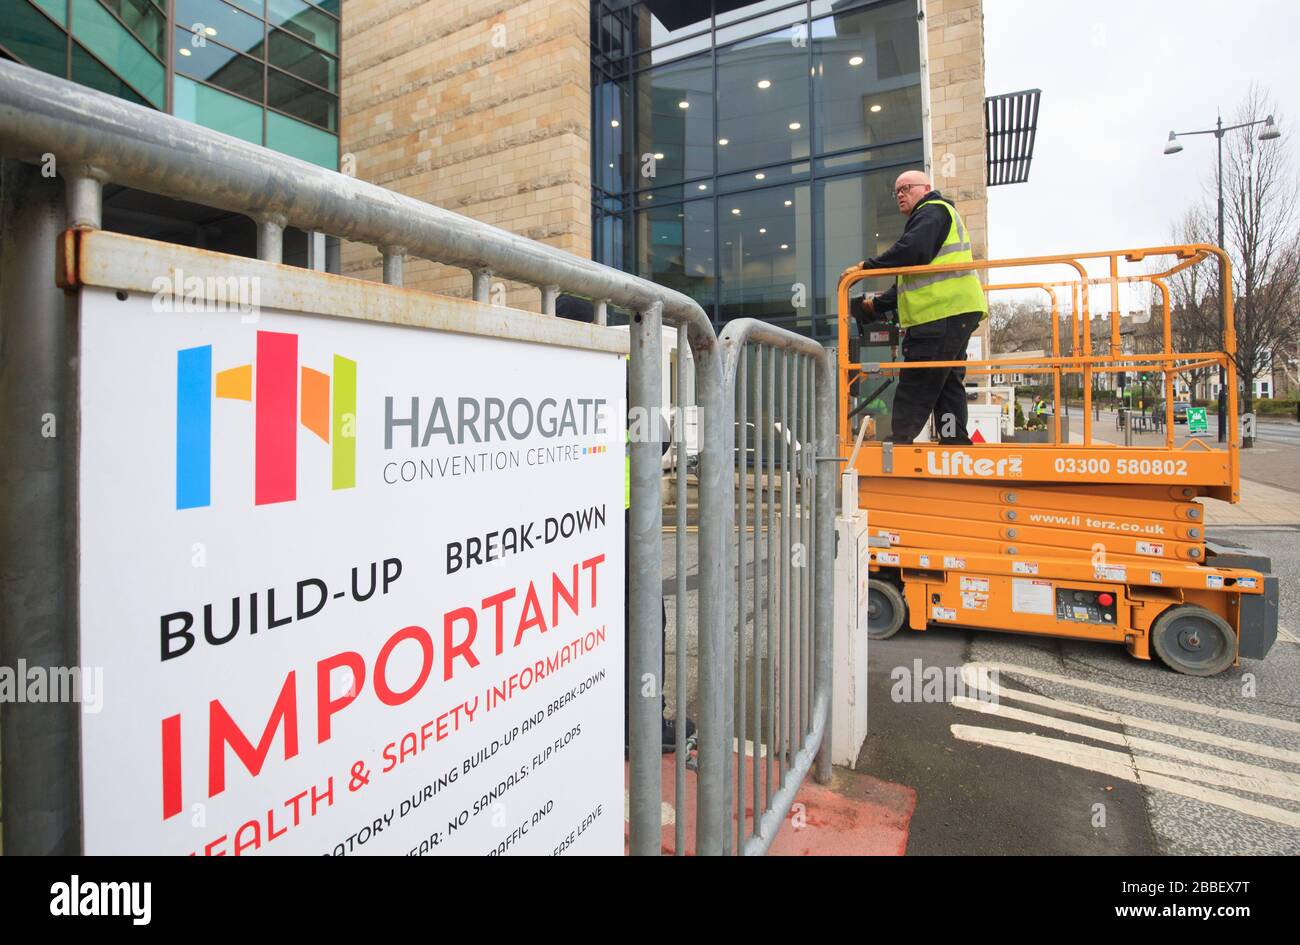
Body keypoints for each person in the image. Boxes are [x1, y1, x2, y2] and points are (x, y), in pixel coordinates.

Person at [841, 170, 988, 444]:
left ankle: (898, 444)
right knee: (946, 381)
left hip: (941, 312)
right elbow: (910, 282)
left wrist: (865, 268)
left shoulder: (932, 211)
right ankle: (954, 441)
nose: (900, 194)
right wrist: (876, 305)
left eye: (906, 188)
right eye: (897, 190)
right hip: (956, 310)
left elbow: (911, 250)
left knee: (918, 377)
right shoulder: (935, 217)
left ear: (926, 188)